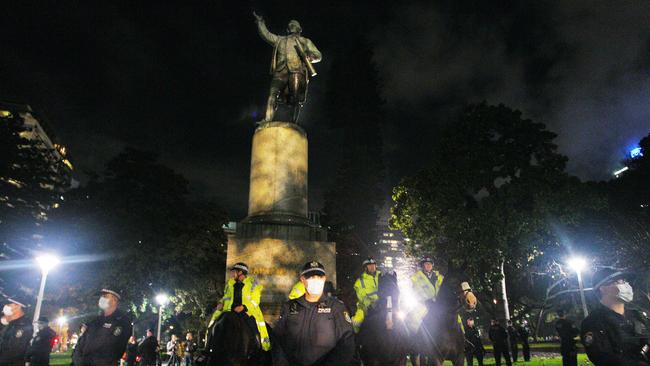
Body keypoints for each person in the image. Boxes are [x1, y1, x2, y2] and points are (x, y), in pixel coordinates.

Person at [273, 261, 355, 365]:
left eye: (319, 277)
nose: (315, 281)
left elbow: (346, 343)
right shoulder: (290, 307)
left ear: (324, 279)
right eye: (311, 278)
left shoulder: (336, 308)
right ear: (303, 280)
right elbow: (278, 340)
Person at [252, 12, 322, 123]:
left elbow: (318, 55)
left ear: (299, 29)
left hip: (296, 71)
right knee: (272, 94)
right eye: (290, 25)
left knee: (295, 98)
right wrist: (260, 23)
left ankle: (293, 122)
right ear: (288, 29)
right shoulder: (280, 40)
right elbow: (266, 35)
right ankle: (267, 120)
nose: (292, 26)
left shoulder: (305, 41)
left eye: (294, 25)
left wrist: (309, 55)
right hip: (280, 71)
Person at [581, 267, 650, 366]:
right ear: (603, 288)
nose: (626, 285)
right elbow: (604, 359)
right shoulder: (594, 322)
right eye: (620, 281)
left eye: (626, 281)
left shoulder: (638, 316)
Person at [208, 262, 271, 351]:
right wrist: (221, 303)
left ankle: (259, 349)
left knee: (255, 330)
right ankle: (207, 351)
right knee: (213, 326)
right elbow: (226, 297)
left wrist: (244, 307)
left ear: (240, 272)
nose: (232, 274)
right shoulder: (230, 284)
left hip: (247, 312)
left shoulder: (253, 284)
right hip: (229, 311)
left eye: (234, 271)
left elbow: (255, 300)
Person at [76, 288, 132, 366]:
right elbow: (81, 343)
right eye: (101, 296)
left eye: (105, 296)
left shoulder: (122, 321)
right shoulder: (95, 321)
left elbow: (114, 347)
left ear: (114, 300)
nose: (101, 299)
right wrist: (78, 360)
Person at [0, 295, 33, 366]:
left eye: (9, 304)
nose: (6, 307)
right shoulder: (12, 323)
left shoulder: (23, 325)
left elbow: (14, 351)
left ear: (18, 306)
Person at [351, 258, 380, 331]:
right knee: (357, 321)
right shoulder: (360, 281)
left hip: (383, 303)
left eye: (373, 265)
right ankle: (355, 338)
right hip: (366, 306)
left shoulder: (382, 276)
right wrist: (372, 303)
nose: (372, 267)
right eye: (369, 265)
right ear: (365, 268)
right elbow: (362, 297)